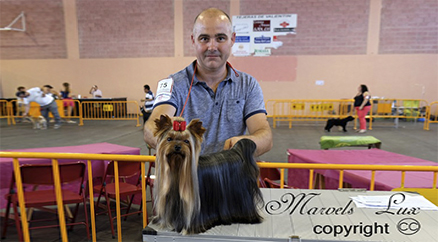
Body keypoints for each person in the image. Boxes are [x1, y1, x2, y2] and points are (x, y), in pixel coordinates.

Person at [143, 8, 273, 156]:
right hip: (186, 177)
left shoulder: (248, 85)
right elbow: (151, 128)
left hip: (230, 176)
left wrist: (243, 144)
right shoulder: (172, 83)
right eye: (204, 38)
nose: (212, 47)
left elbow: (265, 136)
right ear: (193, 40)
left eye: (220, 38)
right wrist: (171, 140)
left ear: (232, 39)